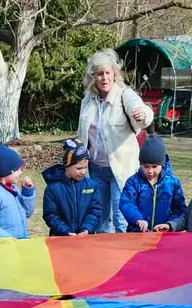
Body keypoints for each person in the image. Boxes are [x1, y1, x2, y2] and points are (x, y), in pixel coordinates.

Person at [76, 48, 154, 233]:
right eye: (99, 74)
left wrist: (142, 114)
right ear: (92, 77)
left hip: (121, 169)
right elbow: (81, 132)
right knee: (101, 216)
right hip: (96, 168)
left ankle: (125, 257)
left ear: (114, 74)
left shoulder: (124, 95)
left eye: (107, 73)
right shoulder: (88, 100)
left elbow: (144, 113)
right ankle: (105, 258)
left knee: (122, 217)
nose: (104, 78)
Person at [118, 135, 187, 233]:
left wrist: (169, 224)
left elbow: (180, 208)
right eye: (146, 167)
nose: (150, 171)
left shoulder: (172, 183)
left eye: (154, 167)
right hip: (138, 232)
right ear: (140, 164)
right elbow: (126, 203)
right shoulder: (133, 182)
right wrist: (138, 219)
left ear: (162, 165)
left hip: (163, 234)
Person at [41, 138, 103, 236]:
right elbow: (50, 215)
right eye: (79, 168)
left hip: (85, 238)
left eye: (85, 167)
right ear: (67, 165)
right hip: (61, 238)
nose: (83, 172)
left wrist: (87, 228)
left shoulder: (92, 186)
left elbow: (95, 211)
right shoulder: (53, 189)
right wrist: (66, 231)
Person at [0, 144, 36, 238]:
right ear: (7, 171)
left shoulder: (13, 188)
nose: (20, 172)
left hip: (20, 244)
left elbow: (27, 212)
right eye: (17, 170)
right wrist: (9, 239)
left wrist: (27, 192)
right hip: (5, 248)